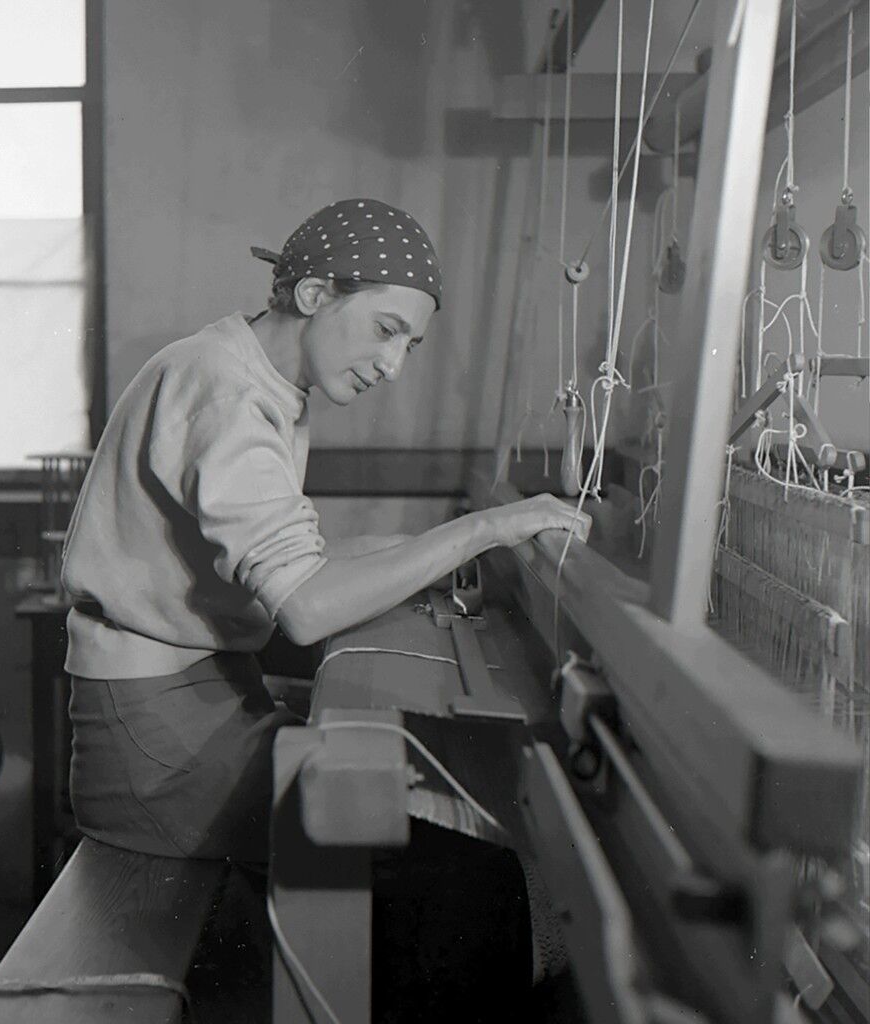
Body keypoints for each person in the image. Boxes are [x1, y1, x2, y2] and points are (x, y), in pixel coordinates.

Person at [60, 197, 589, 1016]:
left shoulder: (247, 377)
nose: (395, 365)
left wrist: (432, 549)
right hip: (156, 746)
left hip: (189, 709)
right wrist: (486, 528)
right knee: (472, 887)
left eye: (410, 344)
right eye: (385, 329)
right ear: (312, 295)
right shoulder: (227, 392)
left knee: (444, 863)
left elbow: (297, 562)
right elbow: (305, 607)